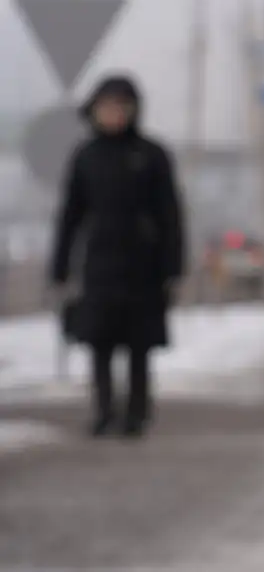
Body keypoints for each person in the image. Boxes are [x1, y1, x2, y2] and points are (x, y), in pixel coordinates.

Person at [49, 74, 185, 439]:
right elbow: (71, 214)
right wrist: (60, 265)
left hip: (144, 264)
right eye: (106, 107)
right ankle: (104, 409)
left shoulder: (151, 156)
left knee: (139, 344)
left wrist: (173, 266)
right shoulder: (86, 156)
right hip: (101, 263)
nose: (113, 114)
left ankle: (137, 412)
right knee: (100, 341)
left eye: (120, 107)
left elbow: (170, 214)